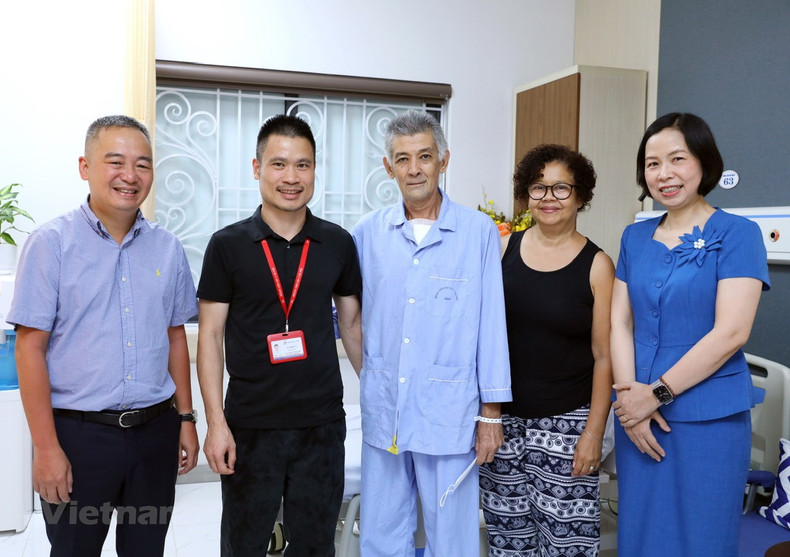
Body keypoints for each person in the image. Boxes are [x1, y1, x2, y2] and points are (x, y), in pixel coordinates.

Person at [8, 115, 200, 556]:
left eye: (143, 165)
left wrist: (186, 420)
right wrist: (46, 448)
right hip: (79, 438)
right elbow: (29, 349)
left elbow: (175, 338)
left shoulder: (167, 248)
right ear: (85, 167)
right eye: (115, 162)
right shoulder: (51, 244)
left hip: (155, 433)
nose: (130, 176)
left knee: (146, 548)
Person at [197, 114, 362, 555]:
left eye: (303, 165)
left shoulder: (337, 243)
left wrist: (380, 393)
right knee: (244, 544)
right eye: (279, 164)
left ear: (314, 171)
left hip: (321, 426)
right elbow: (210, 337)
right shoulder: (226, 245)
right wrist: (216, 423)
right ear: (257, 168)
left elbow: (351, 326)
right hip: (250, 425)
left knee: (314, 547)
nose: (292, 178)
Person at [352, 110, 512, 556]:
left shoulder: (477, 232)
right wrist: (373, 372)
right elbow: (349, 318)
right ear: (389, 167)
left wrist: (491, 413)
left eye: (425, 156)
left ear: (444, 160)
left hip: (450, 411)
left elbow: (492, 325)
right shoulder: (367, 234)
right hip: (385, 410)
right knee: (381, 532)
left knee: (452, 536)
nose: (414, 169)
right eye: (403, 159)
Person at [610, 113, 770, 556]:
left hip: (707, 420)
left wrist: (654, 394)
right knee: (641, 532)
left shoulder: (738, 234)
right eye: (652, 163)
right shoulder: (634, 236)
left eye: (677, 159)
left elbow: (732, 332)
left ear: (703, 161)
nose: (664, 174)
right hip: (636, 417)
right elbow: (619, 322)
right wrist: (629, 401)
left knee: (702, 536)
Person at [479, 144, 614, 556]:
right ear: (526, 193)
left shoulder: (598, 265)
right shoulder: (502, 250)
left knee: (564, 543)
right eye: (538, 188)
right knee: (509, 538)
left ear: (581, 196)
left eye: (560, 188)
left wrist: (593, 434)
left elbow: (604, 356)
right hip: (502, 422)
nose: (548, 198)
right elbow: (483, 335)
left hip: (567, 425)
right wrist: (486, 414)